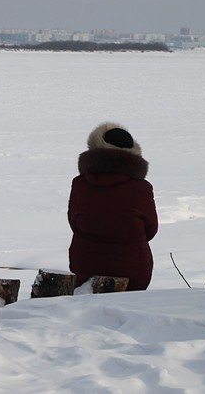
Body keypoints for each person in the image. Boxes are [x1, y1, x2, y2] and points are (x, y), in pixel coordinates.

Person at [67, 122, 159, 290]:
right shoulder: (141, 188)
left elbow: (74, 221)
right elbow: (151, 229)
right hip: (132, 267)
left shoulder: (80, 184)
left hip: (85, 264)